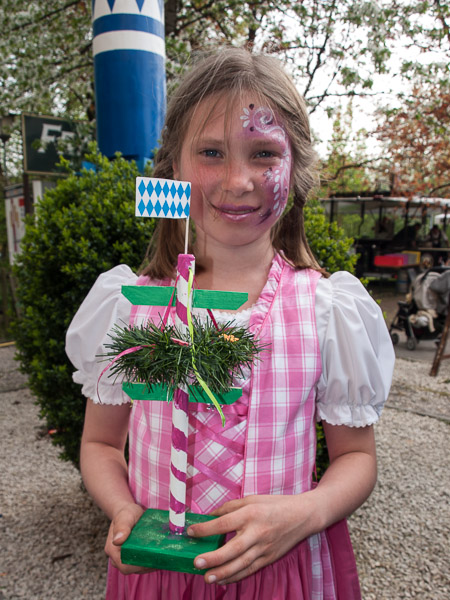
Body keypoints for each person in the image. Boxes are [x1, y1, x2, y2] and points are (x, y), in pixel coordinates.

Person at [66, 47, 395, 600]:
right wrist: (123, 509)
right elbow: (100, 443)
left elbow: (357, 458)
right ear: (174, 167)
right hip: (161, 578)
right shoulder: (131, 307)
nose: (237, 180)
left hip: (281, 574)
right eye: (211, 152)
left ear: (296, 168)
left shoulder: (326, 310)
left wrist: (309, 511)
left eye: (264, 153)